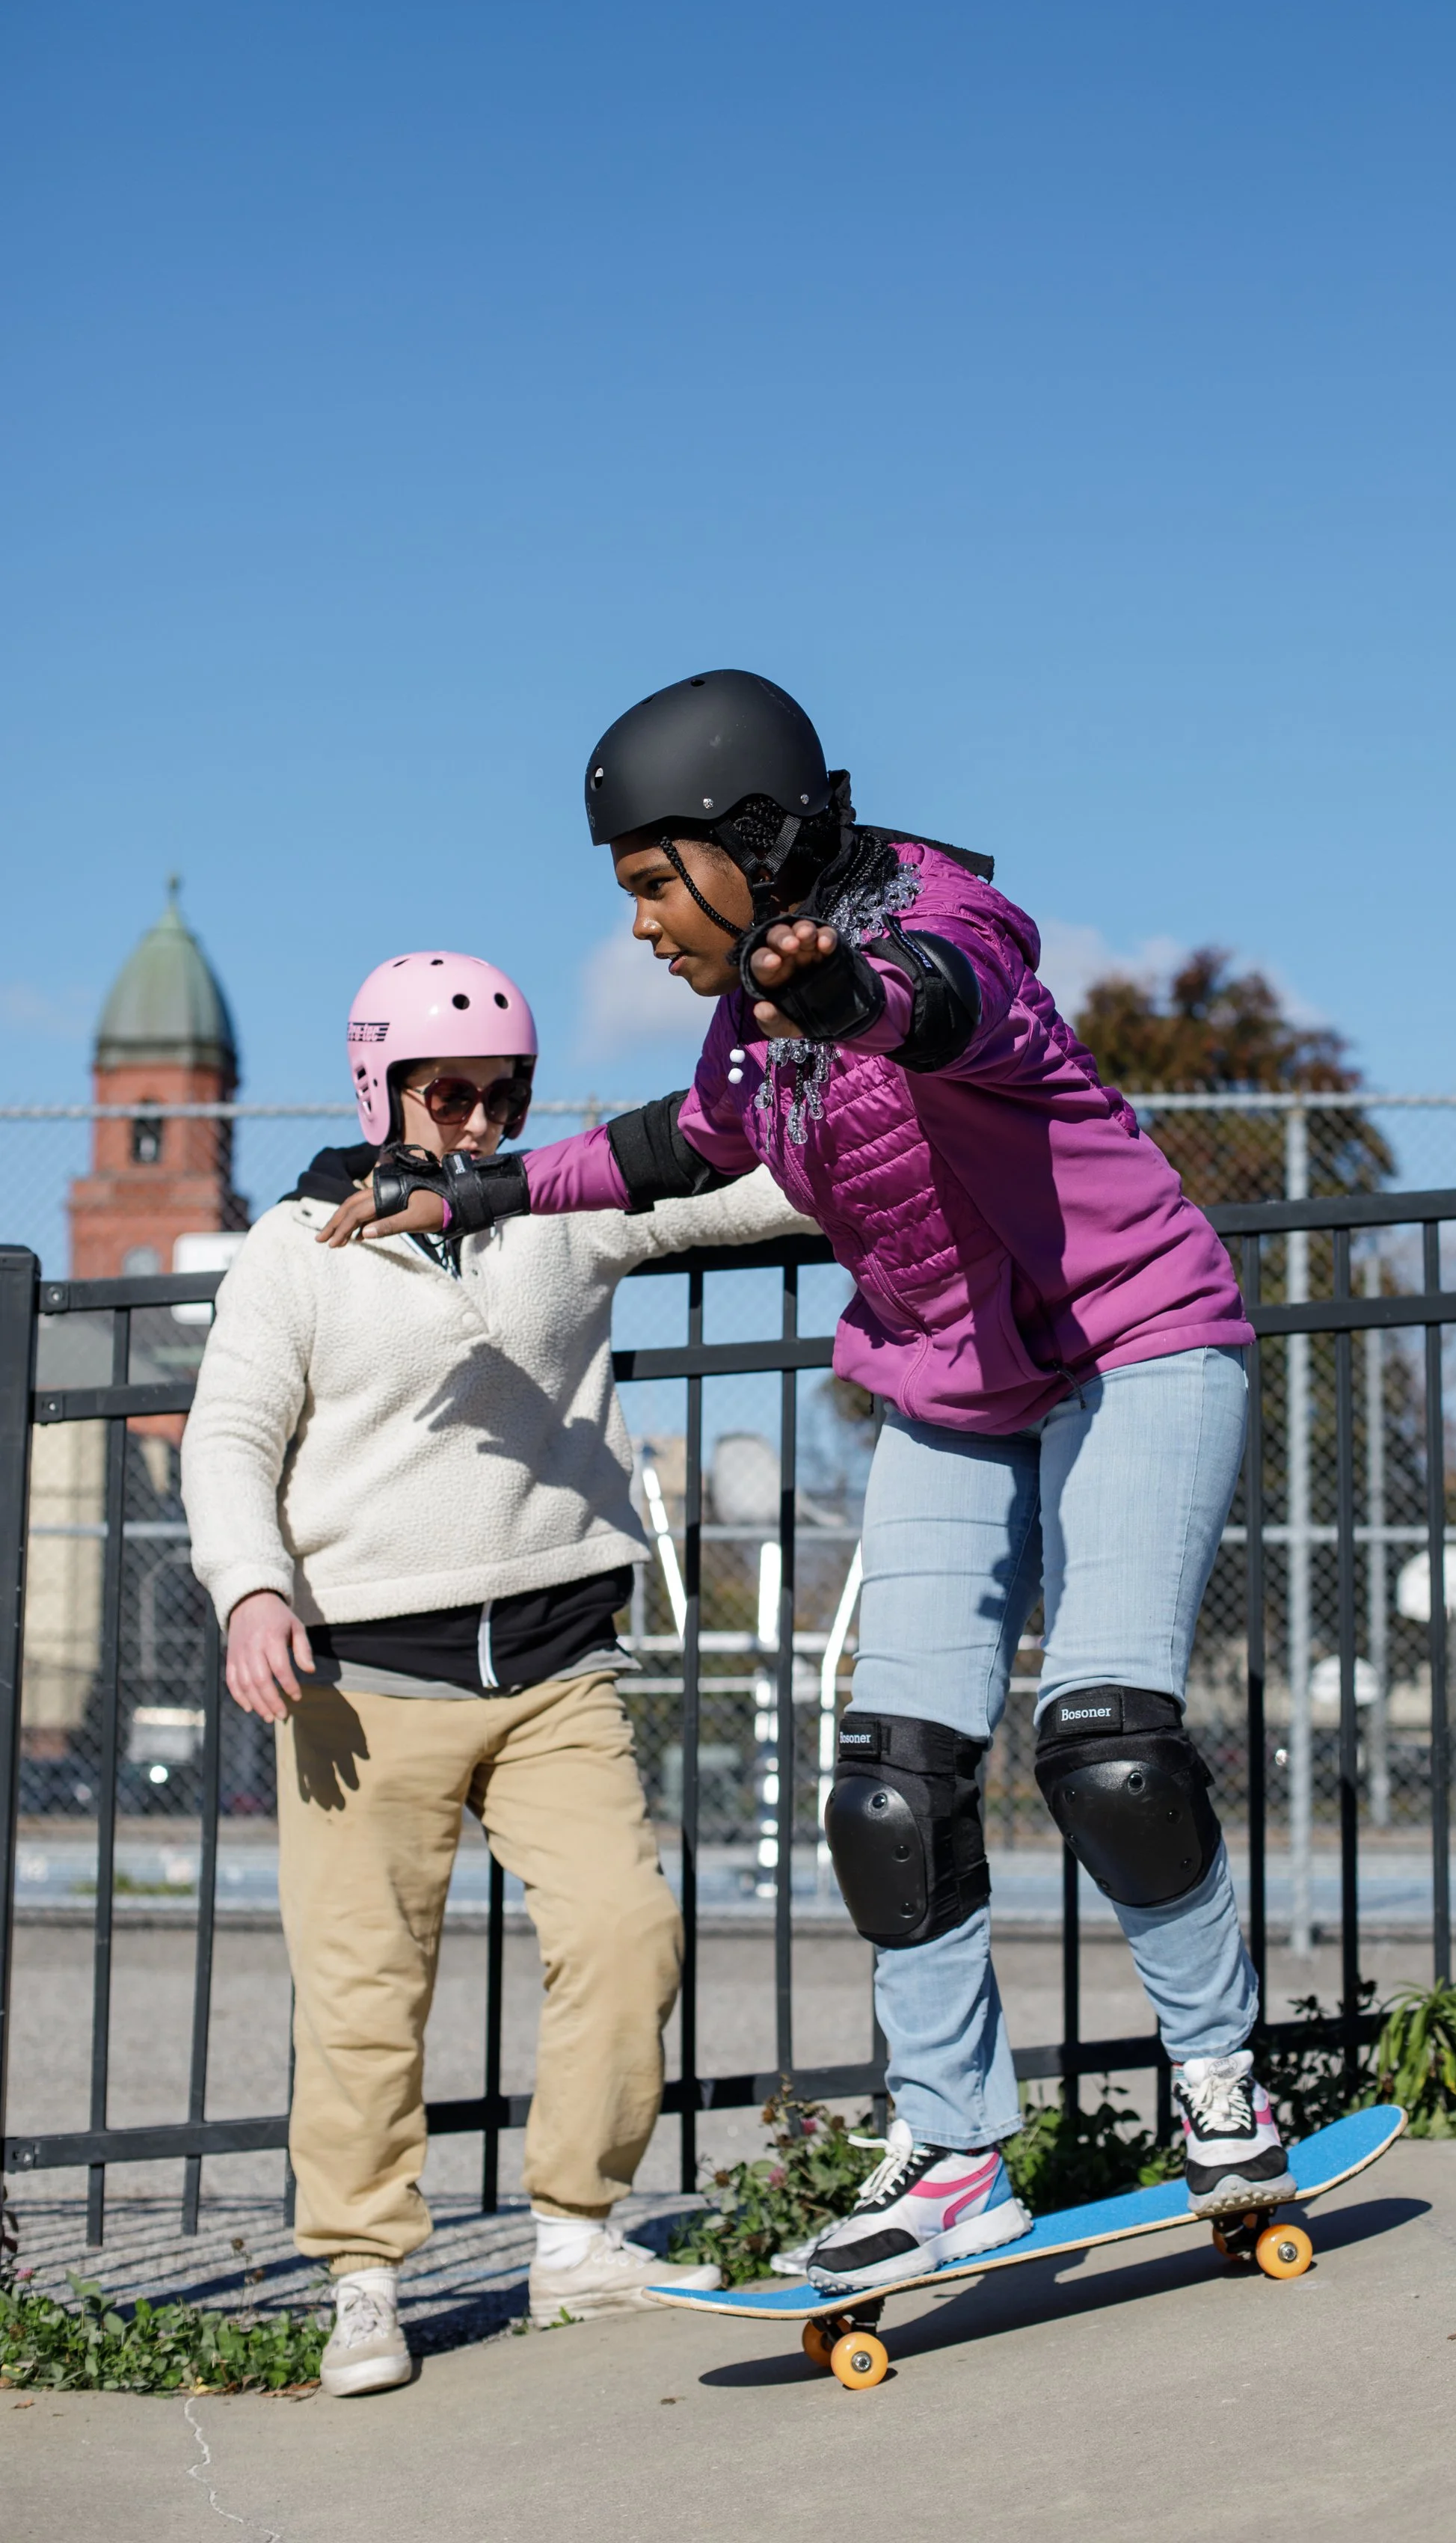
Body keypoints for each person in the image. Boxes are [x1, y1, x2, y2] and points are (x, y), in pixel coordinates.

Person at [324, 673, 1291, 2300]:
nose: (638, 925)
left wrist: (853, 990)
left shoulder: (935, 927)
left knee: (1108, 1745)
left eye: (651, 883)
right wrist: (475, 1188)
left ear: (753, 844)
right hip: (957, 1383)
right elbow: (674, 1149)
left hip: (1139, 1342)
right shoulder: (749, 1031)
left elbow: (957, 1004)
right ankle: (956, 2150)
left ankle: (1220, 2077)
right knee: (892, 1787)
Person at [182, 948, 813, 2393]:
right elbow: (228, 1441)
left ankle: (577, 2236)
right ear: (382, 1086)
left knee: (626, 1928)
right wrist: (252, 1591)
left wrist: (879, 1101)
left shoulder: (562, 1216)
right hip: (361, 1679)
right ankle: (362, 2278)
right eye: (449, 1095)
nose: (478, 1125)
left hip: (554, 1663)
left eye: (503, 1096)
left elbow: (766, 1190)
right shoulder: (295, 1250)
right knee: (363, 1986)